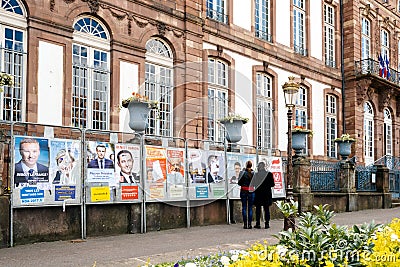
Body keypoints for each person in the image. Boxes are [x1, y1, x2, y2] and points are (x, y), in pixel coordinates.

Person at [253, 161, 275, 229]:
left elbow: (253, 184)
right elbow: (272, 184)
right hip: (267, 194)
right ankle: (267, 224)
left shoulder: (256, 175)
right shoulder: (269, 174)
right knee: (267, 209)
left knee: (258, 209)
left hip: (258, 194)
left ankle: (258, 223)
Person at [237, 160, 255, 229]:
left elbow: (239, 183)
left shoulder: (242, 173)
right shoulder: (254, 174)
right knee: (250, 208)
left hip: (244, 191)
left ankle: (245, 224)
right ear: (251, 165)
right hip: (251, 191)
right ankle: (250, 224)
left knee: (244, 207)